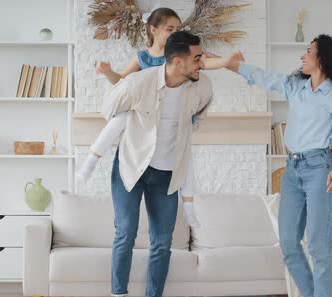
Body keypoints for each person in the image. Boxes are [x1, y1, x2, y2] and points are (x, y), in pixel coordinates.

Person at [226, 34, 332, 297]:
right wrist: (233, 66)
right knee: (289, 242)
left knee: (318, 245)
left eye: (308, 52)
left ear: (323, 59)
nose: (302, 57)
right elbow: (265, 78)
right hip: (292, 169)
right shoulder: (296, 88)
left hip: (321, 167)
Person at [95, 31, 212, 297]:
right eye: (197, 58)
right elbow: (108, 110)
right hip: (131, 168)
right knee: (126, 233)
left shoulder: (202, 88)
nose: (203, 63)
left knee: (162, 241)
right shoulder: (139, 82)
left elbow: (199, 116)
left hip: (166, 173)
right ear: (177, 60)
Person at [77, 7, 232, 228]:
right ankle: (91, 159)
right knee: (123, 116)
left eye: (178, 28)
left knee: (184, 153)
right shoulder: (144, 57)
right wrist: (107, 71)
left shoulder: (184, 56)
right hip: (145, 114)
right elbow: (122, 81)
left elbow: (204, 65)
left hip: (173, 117)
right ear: (153, 30)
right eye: (170, 28)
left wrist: (227, 61)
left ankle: (188, 206)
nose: (175, 33)